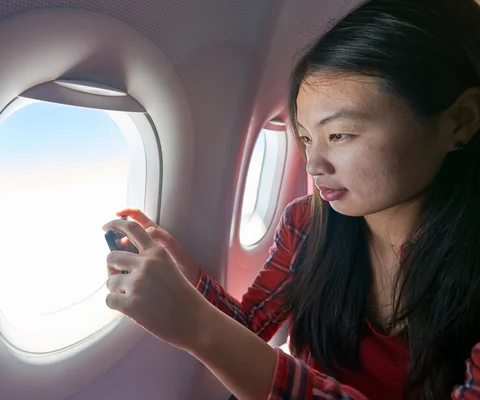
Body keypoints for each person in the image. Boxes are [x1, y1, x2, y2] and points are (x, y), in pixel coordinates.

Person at [101, 0, 480, 398]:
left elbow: (228, 341)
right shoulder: (306, 223)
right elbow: (250, 328)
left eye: (339, 135)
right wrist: (184, 273)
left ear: (459, 121)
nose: (313, 163)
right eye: (304, 136)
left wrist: (198, 326)